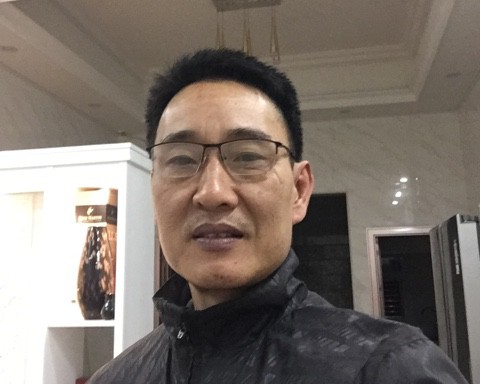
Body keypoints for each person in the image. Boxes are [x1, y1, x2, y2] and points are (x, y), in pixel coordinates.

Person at [89, 48, 468, 383]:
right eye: (182, 160)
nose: (213, 193)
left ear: (299, 190)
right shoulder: (117, 377)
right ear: (153, 188)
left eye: (248, 157)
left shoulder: (389, 369)